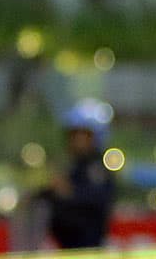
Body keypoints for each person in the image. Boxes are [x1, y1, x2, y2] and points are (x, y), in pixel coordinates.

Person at [39, 99, 115, 249]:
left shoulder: (98, 168)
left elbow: (97, 200)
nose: (76, 140)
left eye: (82, 135)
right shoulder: (72, 166)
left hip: (87, 246)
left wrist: (68, 192)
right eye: (73, 134)